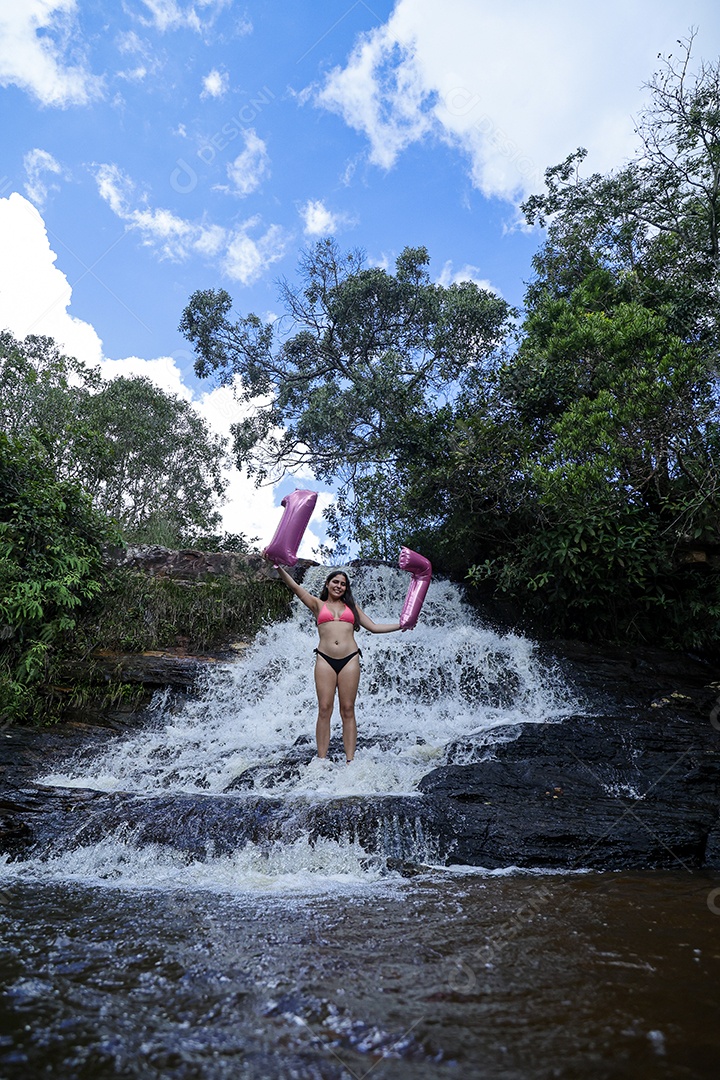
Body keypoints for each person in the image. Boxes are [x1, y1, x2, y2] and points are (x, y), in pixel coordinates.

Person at [269, 564, 404, 763]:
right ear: (327, 583)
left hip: (350, 659)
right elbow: (295, 587)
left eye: (343, 584)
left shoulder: (352, 608)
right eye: (335, 582)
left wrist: (401, 625)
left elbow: (374, 627)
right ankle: (321, 760)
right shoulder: (317, 604)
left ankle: (350, 760)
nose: (339, 586)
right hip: (325, 659)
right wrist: (278, 567)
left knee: (348, 709)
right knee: (324, 708)